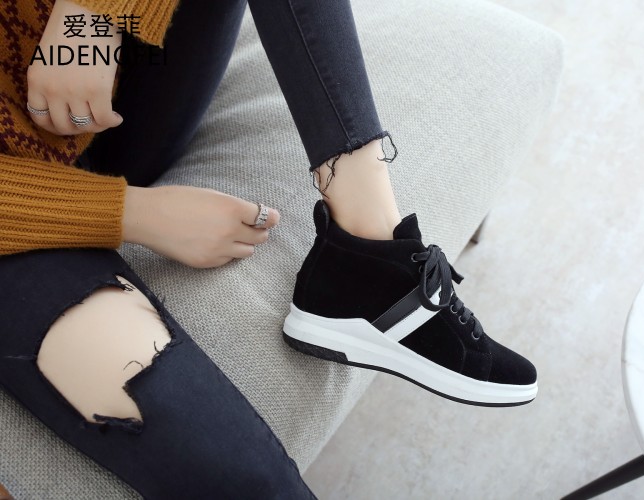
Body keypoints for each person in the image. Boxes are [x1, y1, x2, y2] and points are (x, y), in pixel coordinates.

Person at [0, 0, 537, 497]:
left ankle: (371, 244)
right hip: (20, 219)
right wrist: (133, 214)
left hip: (96, 92)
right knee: (247, 481)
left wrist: (92, 12)